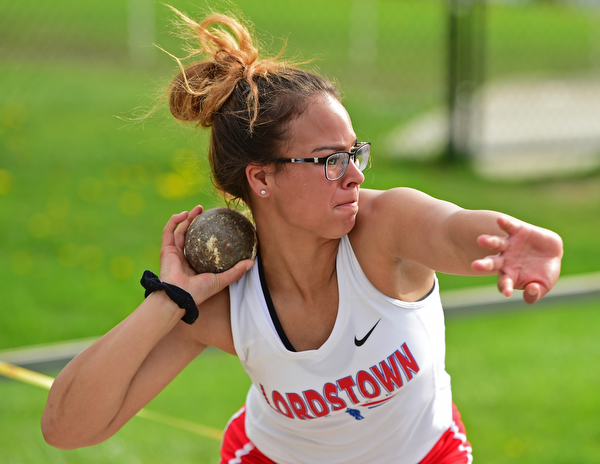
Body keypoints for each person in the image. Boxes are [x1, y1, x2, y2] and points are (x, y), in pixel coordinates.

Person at [41, 7, 563, 464]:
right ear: (262, 178)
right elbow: (68, 429)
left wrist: (506, 240)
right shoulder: (225, 298)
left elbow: (449, 229)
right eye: (330, 161)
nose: (355, 174)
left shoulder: (384, 230)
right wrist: (169, 300)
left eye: (355, 153)